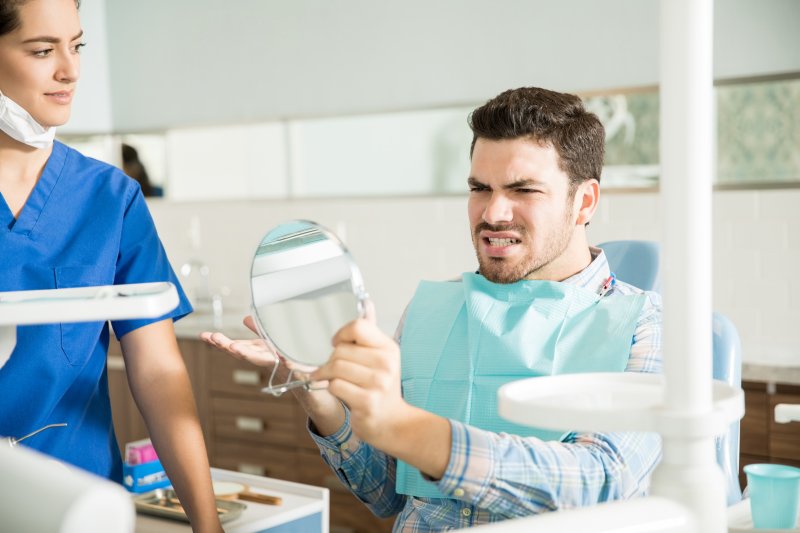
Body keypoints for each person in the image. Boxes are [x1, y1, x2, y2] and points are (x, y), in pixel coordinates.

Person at [202, 86, 663, 531]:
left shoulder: (645, 325)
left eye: (524, 190)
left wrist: (406, 427)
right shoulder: (433, 311)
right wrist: (316, 389)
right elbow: (386, 492)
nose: (494, 213)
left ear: (584, 202)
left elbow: (604, 481)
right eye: (480, 188)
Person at [0, 1, 222, 531]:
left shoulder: (109, 199)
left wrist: (207, 525)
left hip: (81, 499)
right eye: (42, 50)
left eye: (75, 46)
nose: (69, 70)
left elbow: (158, 371)